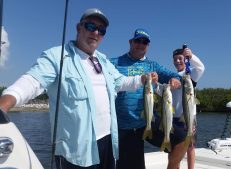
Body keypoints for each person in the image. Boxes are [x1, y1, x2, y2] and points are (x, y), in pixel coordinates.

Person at [0, 8, 154, 169]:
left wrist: (141, 79)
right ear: (79, 28)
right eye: (90, 26)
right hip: (77, 150)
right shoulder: (57, 56)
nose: (96, 32)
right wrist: (4, 105)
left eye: (101, 30)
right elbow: (31, 82)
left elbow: (120, 82)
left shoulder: (103, 60)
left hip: (108, 141)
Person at [109, 28, 188, 169]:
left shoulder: (153, 65)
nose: (140, 44)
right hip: (124, 126)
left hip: (147, 121)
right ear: (130, 42)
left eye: (144, 42)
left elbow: (177, 77)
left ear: (148, 46)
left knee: (182, 138)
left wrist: (175, 80)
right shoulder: (115, 62)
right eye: (137, 41)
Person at [172, 47, 205, 169]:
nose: (178, 61)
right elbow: (161, 91)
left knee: (190, 147)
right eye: (175, 59)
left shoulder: (189, 73)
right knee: (176, 148)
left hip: (190, 117)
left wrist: (191, 56)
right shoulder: (171, 76)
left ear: (184, 59)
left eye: (180, 58)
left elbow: (201, 68)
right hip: (174, 118)